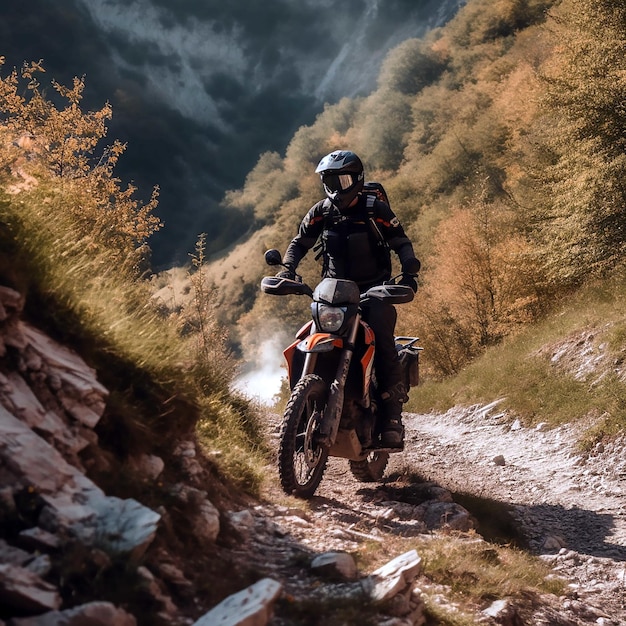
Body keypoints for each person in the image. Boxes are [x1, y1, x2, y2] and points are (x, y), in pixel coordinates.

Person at [279, 150, 420, 447]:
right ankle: (300, 411)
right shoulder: (321, 210)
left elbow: (401, 241)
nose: (335, 188)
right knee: (307, 335)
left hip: (374, 291)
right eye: (329, 181)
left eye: (341, 180)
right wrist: (287, 270)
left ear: (357, 179)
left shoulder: (375, 209)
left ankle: (391, 417)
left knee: (382, 340)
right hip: (334, 293)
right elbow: (300, 241)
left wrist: (409, 271)